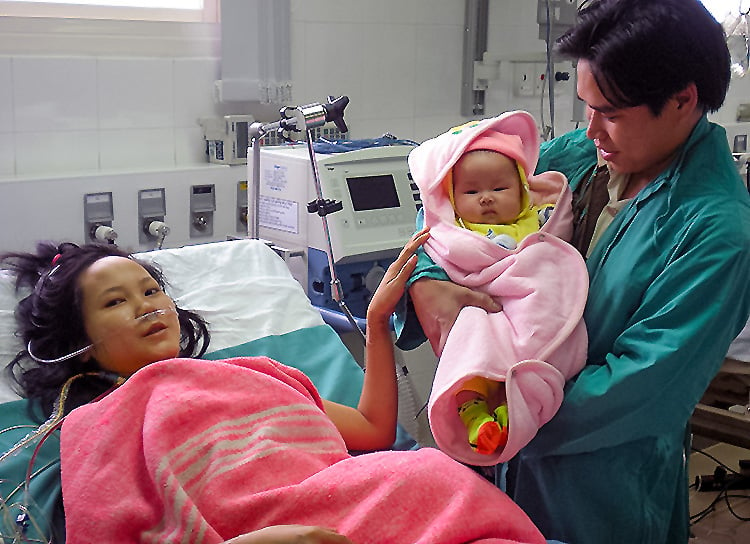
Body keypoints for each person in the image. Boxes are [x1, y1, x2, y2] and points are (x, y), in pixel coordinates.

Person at [396, 0, 750, 542]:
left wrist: (508, 419)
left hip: (597, 486)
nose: (592, 130)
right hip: (499, 455)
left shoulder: (715, 232)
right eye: (586, 105)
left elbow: (641, 390)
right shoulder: (583, 159)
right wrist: (426, 281)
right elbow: (455, 203)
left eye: (610, 113)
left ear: (683, 99)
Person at [0, 235, 547, 544]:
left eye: (150, 290)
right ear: (80, 343)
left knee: (441, 485)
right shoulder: (96, 423)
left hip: (370, 502)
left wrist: (377, 322)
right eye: (116, 302)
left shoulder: (254, 370)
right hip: (275, 533)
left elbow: (375, 432)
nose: (147, 305)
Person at [407, 111, 587, 467]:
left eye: (500, 189)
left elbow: (554, 235)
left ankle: (512, 404)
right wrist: (424, 278)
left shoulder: (538, 217)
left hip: (530, 295)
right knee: (474, 337)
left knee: (546, 339)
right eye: (472, 192)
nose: (486, 198)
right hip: (483, 304)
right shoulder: (456, 230)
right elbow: (432, 229)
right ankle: (476, 412)